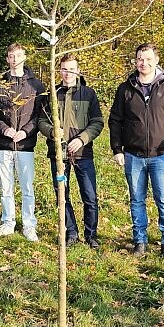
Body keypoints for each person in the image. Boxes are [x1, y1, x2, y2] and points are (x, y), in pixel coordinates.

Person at [108, 42, 164, 259]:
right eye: (140, 58)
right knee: (136, 199)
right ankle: (140, 241)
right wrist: (117, 149)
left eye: (148, 59)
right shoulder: (125, 89)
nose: (144, 63)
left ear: (157, 60)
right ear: (135, 61)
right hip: (133, 155)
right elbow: (115, 120)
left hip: (161, 155)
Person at [39, 53, 104, 248]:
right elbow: (41, 120)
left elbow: (97, 122)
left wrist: (82, 139)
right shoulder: (51, 94)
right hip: (58, 155)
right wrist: (51, 132)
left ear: (78, 70)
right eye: (64, 69)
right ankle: (71, 232)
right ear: (59, 71)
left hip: (83, 155)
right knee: (62, 195)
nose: (68, 73)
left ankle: (91, 235)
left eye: (72, 69)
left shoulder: (88, 94)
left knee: (90, 196)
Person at [0, 43, 46, 241]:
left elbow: (39, 115)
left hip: (25, 145)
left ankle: (29, 224)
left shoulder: (36, 85)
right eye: (11, 56)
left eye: (18, 55)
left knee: (27, 187)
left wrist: (26, 132)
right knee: (6, 187)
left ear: (25, 57)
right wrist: (5, 129)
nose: (15, 59)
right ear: (7, 59)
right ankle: (8, 222)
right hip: (4, 144)